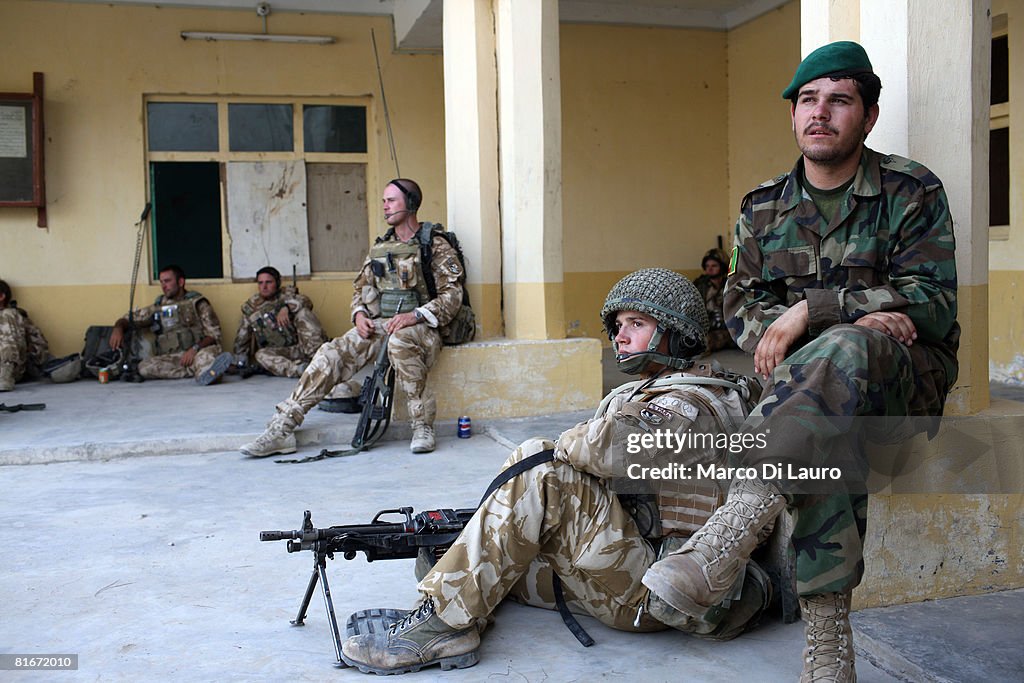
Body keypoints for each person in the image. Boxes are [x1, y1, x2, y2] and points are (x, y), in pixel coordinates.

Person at [641, 41, 960, 682]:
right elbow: (737, 305)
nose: (821, 113)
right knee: (822, 415)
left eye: (839, 100)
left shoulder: (911, 190)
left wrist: (811, 314)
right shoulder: (762, 207)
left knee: (842, 354)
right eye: (808, 100)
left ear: (867, 117)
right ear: (792, 115)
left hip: (905, 383)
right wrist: (842, 317)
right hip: (807, 395)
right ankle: (827, 649)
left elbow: (932, 304)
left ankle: (730, 536)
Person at [338, 269, 774, 675]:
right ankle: (451, 605)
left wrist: (567, 441)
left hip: (656, 592)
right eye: (618, 325)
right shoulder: (680, 388)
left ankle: (445, 627)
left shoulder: (688, 405)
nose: (620, 336)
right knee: (445, 558)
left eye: (636, 324)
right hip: (633, 563)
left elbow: (606, 449)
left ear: (677, 333)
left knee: (541, 462)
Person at [240, 178, 465, 456]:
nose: (385, 206)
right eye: (383, 200)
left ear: (411, 204)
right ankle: (283, 426)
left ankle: (422, 425)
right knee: (331, 353)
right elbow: (360, 288)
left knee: (399, 342)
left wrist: (415, 316)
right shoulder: (382, 247)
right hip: (383, 324)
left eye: (391, 200)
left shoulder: (435, 244)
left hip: (422, 328)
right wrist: (359, 314)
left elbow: (452, 296)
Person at [108, 264, 233, 385]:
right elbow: (129, 318)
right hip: (176, 358)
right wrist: (118, 327)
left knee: (205, 358)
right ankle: (197, 370)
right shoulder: (159, 306)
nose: (164, 286)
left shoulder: (198, 303)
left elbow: (214, 336)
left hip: (198, 352)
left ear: (180, 282)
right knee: (144, 367)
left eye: (167, 281)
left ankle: (206, 371)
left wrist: (194, 349)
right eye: (161, 282)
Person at [233, 266, 327, 378]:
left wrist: (286, 307)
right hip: (278, 352)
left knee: (304, 313)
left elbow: (306, 302)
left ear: (277, 283)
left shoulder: (288, 296)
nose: (264, 286)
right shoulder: (252, 308)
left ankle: (319, 359)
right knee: (261, 355)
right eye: (260, 283)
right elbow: (242, 338)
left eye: (268, 282)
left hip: (300, 348)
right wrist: (239, 361)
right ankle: (300, 370)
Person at [0, 279, 50, 392]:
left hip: (12, 370)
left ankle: (5, 374)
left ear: (1, 296)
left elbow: (41, 351)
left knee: (8, 314)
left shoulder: (14, 316)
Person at [692, 248, 736, 352]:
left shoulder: (731, 285)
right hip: (706, 328)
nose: (710, 269)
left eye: (714, 266)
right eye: (707, 266)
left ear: (722, 266)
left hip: (729, 328)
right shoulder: (700, 285)